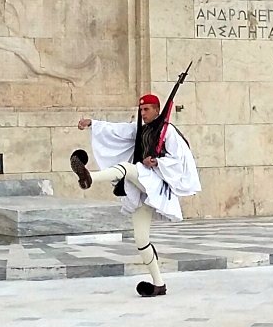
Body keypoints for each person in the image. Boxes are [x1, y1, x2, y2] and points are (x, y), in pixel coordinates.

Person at [69, 64, 200, 297]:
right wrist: (93, 123)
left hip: (158, 184)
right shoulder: (141, 129)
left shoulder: (167, 131)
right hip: (144, 190)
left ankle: (90, 178)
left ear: (157, 109)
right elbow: (118, 131)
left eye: (147, 110)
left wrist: (157, 162)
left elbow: (181, 159)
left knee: (127, 169)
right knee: (141, 239)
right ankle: (158, 284)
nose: (143, 114)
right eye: (142, 110)